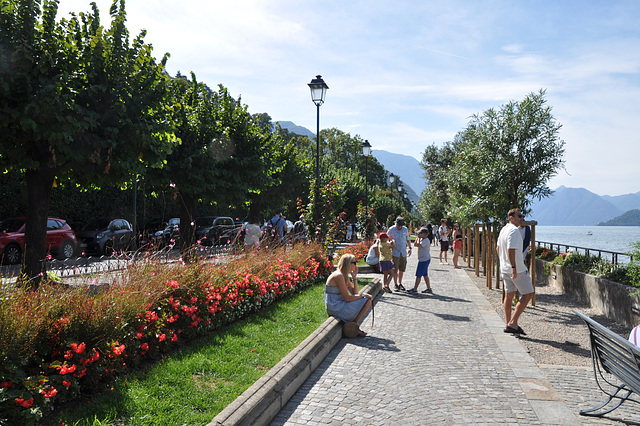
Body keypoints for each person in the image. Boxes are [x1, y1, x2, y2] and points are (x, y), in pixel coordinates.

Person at [497, 208, 535, 336]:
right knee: (528, 294)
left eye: (522, 216)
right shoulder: (514, 230)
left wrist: (504, 263)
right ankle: (513, 323)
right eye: (519, 216)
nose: (522, 218)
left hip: (505, 268)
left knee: (509, 295)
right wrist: (513, 268)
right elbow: (511, 250)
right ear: (511, 218)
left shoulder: (503, 229)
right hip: (517, 269)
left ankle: (509, 324)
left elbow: (498, 248)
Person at [324, 253, 373, 337]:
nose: (355, 265)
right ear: (348, 264)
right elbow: (348, 298)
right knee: (367, 300)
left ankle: (353, 326)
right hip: (336, 307)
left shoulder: (343, 275)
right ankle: (354, 326)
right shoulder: (338, 276)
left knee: (368, 300)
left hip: (339, 305)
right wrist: (363, 295)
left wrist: (354, 278)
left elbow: (354, 293)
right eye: (354, 263)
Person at [387, 216, 412, 292]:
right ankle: (395, 284)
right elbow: (386, 239)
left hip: (403, 252)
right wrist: (390, 243)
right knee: (395, 269)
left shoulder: (405, 229)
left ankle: (400, 283)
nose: (399, 227)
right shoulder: (391, 229)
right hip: (395, 252)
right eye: (398, 225)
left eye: (401, 225)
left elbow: (408, 239)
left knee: (402, 269)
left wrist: (410, 248)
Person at [408, 227, 432, 294]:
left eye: (420, 233)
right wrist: (418, 238)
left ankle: (415, 288)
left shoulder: (426, 240)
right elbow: (415, 244)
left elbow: (419, 245)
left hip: (424, 260)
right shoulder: (422, 239)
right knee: (425, 275)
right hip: (423, 259)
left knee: (419, 274)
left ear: (424, 234)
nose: (419, 234)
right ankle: (428, 288)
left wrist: (418, 239)